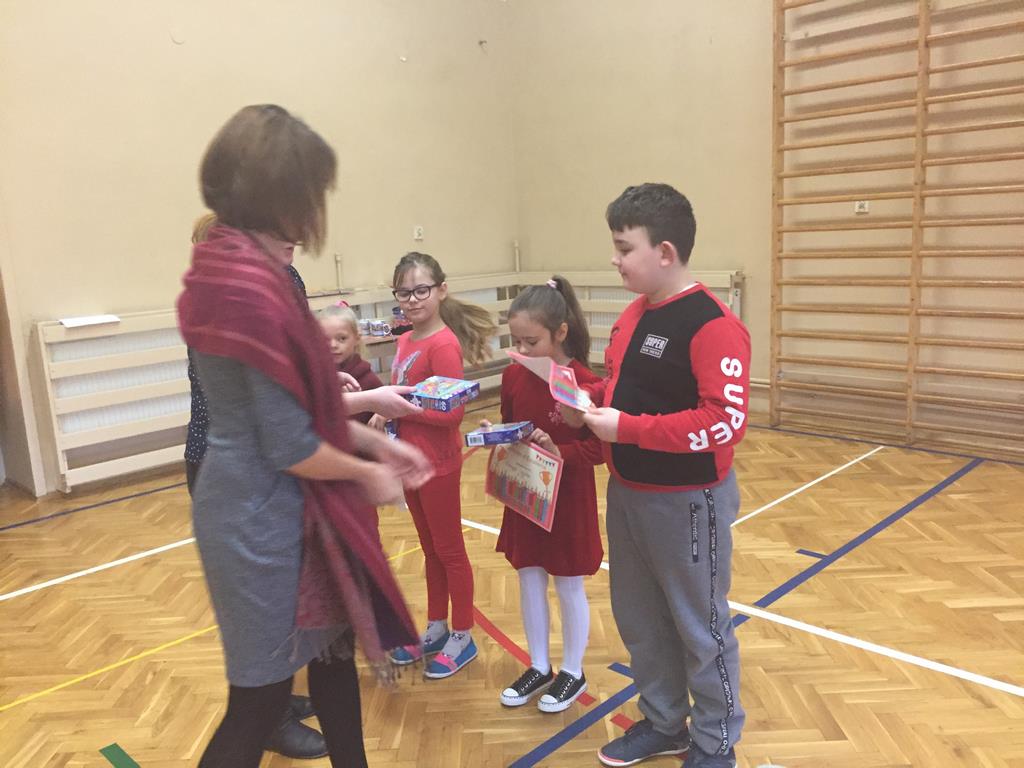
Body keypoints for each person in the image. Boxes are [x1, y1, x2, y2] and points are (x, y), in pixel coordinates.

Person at [177, 104, 433, 768]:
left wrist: (374, 442)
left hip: (276, 503)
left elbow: (298, 410)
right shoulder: (246, 289)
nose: (311, 213)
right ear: (275, 196)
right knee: (260, 701)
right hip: (257, 516)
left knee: (332, 657)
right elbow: (288, 442)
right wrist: (369, 471)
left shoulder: (239, 269)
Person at [564, 184, 750, 768]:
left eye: (625, 248)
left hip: (689, 502)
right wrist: (589, 402)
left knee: (700, 627)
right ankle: (665, 723)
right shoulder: (634, 314)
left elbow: (725, 423)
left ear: (665, 252)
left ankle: (715, 743)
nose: (615, 260)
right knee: (641, 621)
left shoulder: (712, 324)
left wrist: (628, 428)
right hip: (629, 494)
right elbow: (626, 390)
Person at [488, 276, 604, 713]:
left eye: (531, 342)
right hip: (526, 493)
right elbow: (511, 422)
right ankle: (538, 664)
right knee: (529, 576)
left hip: (567, 497)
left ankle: (573, 670)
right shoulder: (513, 376)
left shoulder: (585, 383)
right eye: (515, 341)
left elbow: (599, 450)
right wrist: (496, 436)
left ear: (560, 332)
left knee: (568, 583)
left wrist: (561, 451)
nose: (521, 349)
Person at [382, 252, 496, 679]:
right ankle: (436, 627)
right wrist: (383, 412)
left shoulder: (443, 345)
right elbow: (401, 393)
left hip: (438, 465)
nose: (411, 300)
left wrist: (401, 408)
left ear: (441, 290)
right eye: (403, 292)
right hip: (410, 461)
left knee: (449, 551)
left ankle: (462, 636)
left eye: (420, 290)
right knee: (429, 550)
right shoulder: (405, 340)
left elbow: (452, 414)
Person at [317, 303, 383, 425]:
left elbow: (386, 407)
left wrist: (382, 415)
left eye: (342, 338)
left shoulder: (368, 379)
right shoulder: (316, 377)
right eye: (325, 339)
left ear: (357, 338)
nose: (333, 345)